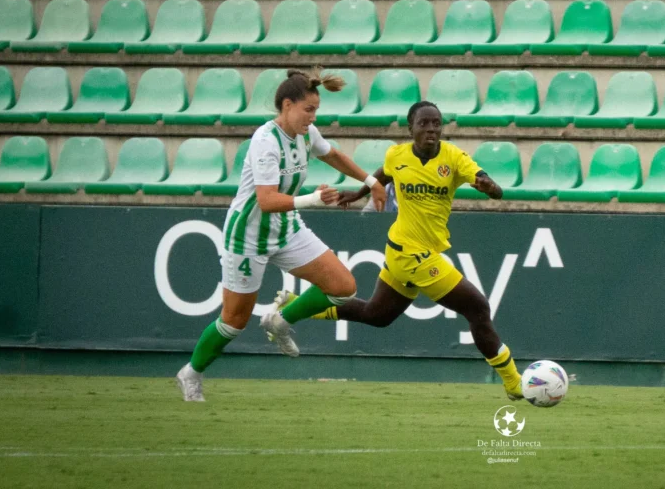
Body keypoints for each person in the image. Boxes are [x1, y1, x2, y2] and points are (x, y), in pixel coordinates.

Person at [260, 101, 524, 400]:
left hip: (411, 252)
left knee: (377, 315)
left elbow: (493, 187)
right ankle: (515, 383)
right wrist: (359, 193)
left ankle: (294, 306)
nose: (431, 129)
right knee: (478, 309)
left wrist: (489, 187)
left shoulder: (454, 158)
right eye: (424, 124)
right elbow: (384, 174)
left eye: (436, 123)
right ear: (411, 128)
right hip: (411, 254)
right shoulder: (397, 155)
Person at [176, 69, 387, 402]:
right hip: (247, 236)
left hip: (287, 228)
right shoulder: (264, 141)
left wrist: (372, 182)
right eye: (309, 110)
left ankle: (279, 320)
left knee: (343, 287)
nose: (313, 117)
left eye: (316, 110)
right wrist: (314, 199)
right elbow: (266, 200)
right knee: (233, 322)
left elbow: (333, 155)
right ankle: (191, 373)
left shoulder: (305, 133)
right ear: (287, 105)